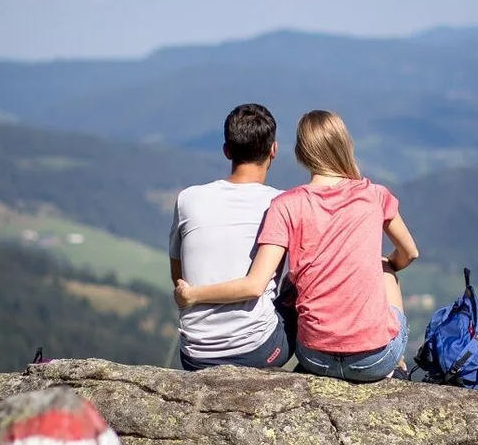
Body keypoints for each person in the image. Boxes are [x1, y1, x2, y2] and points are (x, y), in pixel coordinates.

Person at [174, 109, 420, 383]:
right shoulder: (375, 195)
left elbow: (247, 280)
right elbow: (411, 252)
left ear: (301, 154)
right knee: (384, 269)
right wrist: (385, 266)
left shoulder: (285, 204)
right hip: (372, 360)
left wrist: (193, 294)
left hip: (313, 358)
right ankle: (396, 366)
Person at [167, 103, 296, 371]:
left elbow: (179, 277)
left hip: (195, 356)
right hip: (258, 351)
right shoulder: (282, 203)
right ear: (274, 150)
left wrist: (195, 296)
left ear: (227, 151)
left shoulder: (188, 199)